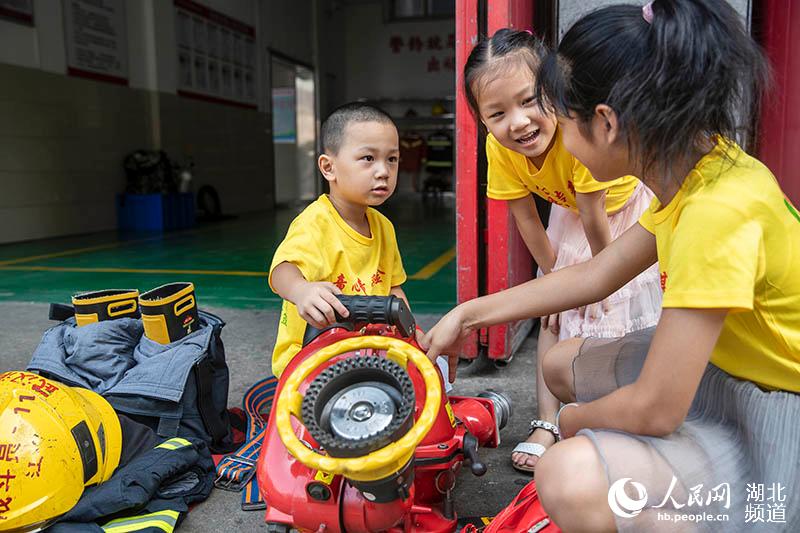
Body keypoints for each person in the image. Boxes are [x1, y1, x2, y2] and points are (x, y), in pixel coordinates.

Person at [423, 1, 799, 530]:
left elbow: (655, 410)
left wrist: (574, 422)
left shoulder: (718, 214)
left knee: (568, 475)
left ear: (605, 124)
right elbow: (596, 275)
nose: (552, 131)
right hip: (725, 366)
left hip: (773, 408)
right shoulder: (698, 167)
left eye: (560, 114)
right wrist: (468, 315)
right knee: (560, 364)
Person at [463, 28, 661, 472]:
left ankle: (620, 417)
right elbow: (526, 218)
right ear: (482, 120)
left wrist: (601, 286)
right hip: (569, 213)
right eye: (497, 113)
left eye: (530, 100)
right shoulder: (500, 149)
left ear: (554, 91)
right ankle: (547, 423)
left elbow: (597, 220)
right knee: (553, 316)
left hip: (618, 215)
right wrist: (554, 281)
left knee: (618, 313)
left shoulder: (577, 135)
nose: (517, 122)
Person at [269, 102, 449, 385]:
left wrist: (414, 336)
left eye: (392, 159)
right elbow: (282, 271)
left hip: (368, 352)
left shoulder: (383, 226)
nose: (383, 171)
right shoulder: (315, 223)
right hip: (311, 359)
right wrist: (301, 290)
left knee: (432, 380)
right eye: (368, 158)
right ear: (329, 167)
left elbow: (393, 289)